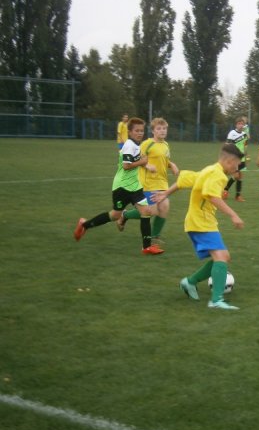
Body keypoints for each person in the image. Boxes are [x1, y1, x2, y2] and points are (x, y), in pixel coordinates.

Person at [154, 144, 245, 310]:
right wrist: (233, 215)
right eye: (236, 163)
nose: (237, 167)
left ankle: (189, 282)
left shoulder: (209, 170)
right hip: (201, 222)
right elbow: (212, 196)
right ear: (228, 160)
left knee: (224, 256)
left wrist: (166, 193)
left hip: (201, 221)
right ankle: (216, 300)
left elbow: (184, 179)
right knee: (221, 257)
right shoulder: (218, 176)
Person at [74, 117, 163, 254]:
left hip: (134, 186)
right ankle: (84, 225)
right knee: (115, 215)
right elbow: (126, 166)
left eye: (141, 131)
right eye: (137, 131)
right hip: (122, 187)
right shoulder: (129, 145)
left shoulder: (136, 145)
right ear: (130, 132)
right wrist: (143, 162)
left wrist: (147, 165)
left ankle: (147, 247)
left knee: (146, 212)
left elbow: (138, 161)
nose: (140, 133)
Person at [117, 117, 179, 249]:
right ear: (153, 131)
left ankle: (154, 237)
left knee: (164, 207)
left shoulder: (166, 145)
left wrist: (172, 165)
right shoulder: (147, 144)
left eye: (164, 128)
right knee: (151, 211)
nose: (162, 131)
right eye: (159, 128)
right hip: (148, 183)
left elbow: (165, 160)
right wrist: (147, 166)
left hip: (162, 183)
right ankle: (125, 215)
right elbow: (137, 159)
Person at [223, 117, 250, 201]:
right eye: (239, 123)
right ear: (236, 124)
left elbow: (245, 143)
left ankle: (236, 195)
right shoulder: (232, 133)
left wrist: (246, 155)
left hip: (241, 157)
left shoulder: (244, 134)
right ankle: (227, 191)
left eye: (242, 124)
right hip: (234, 157)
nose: (241, 125)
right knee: (236, 175)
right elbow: (227, 144)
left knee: (240, 176)